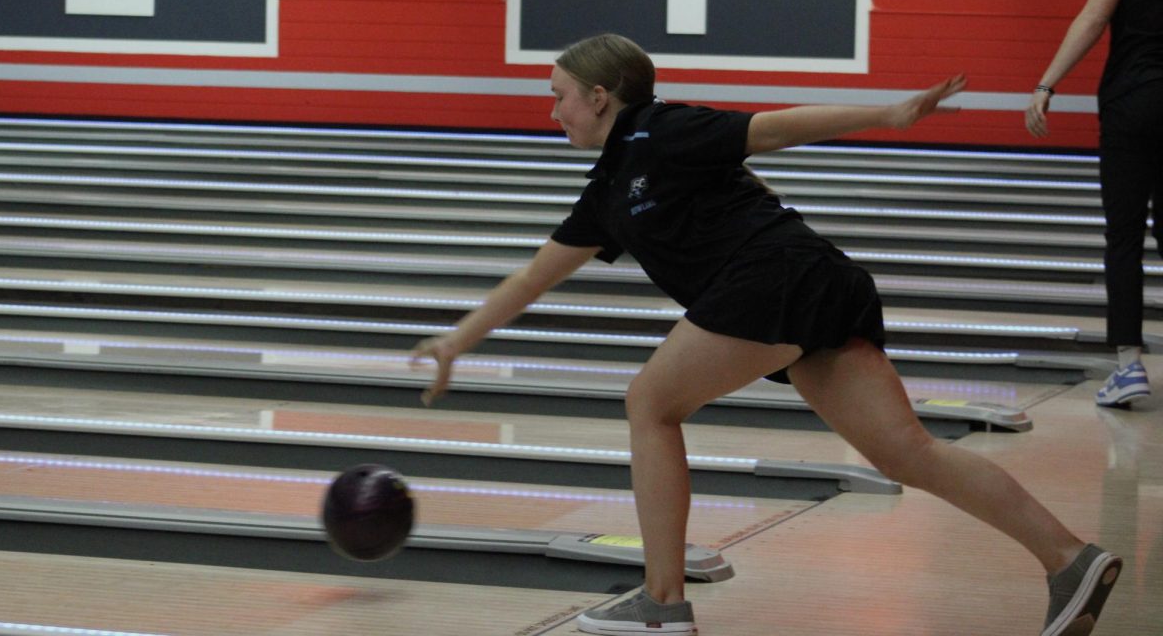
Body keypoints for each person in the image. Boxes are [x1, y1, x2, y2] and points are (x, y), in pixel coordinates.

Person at [413, 33, 1121, 635]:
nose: (552, 109)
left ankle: (662, 603)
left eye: (559, 93)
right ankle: (1069, 558)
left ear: (600, 95)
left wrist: (889, 113)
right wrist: (456, 340)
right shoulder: (607, 189)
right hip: (812, 284)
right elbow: (535, 277)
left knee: (649, 403)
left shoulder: (663, 128)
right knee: (907, 452)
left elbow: (774, 128)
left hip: (777, 275)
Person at [1026, 0, 1163, 408]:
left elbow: (1093, 18)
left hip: (1134, 102)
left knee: (1125, 237)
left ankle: (1128, 366)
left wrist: (1046, 83)